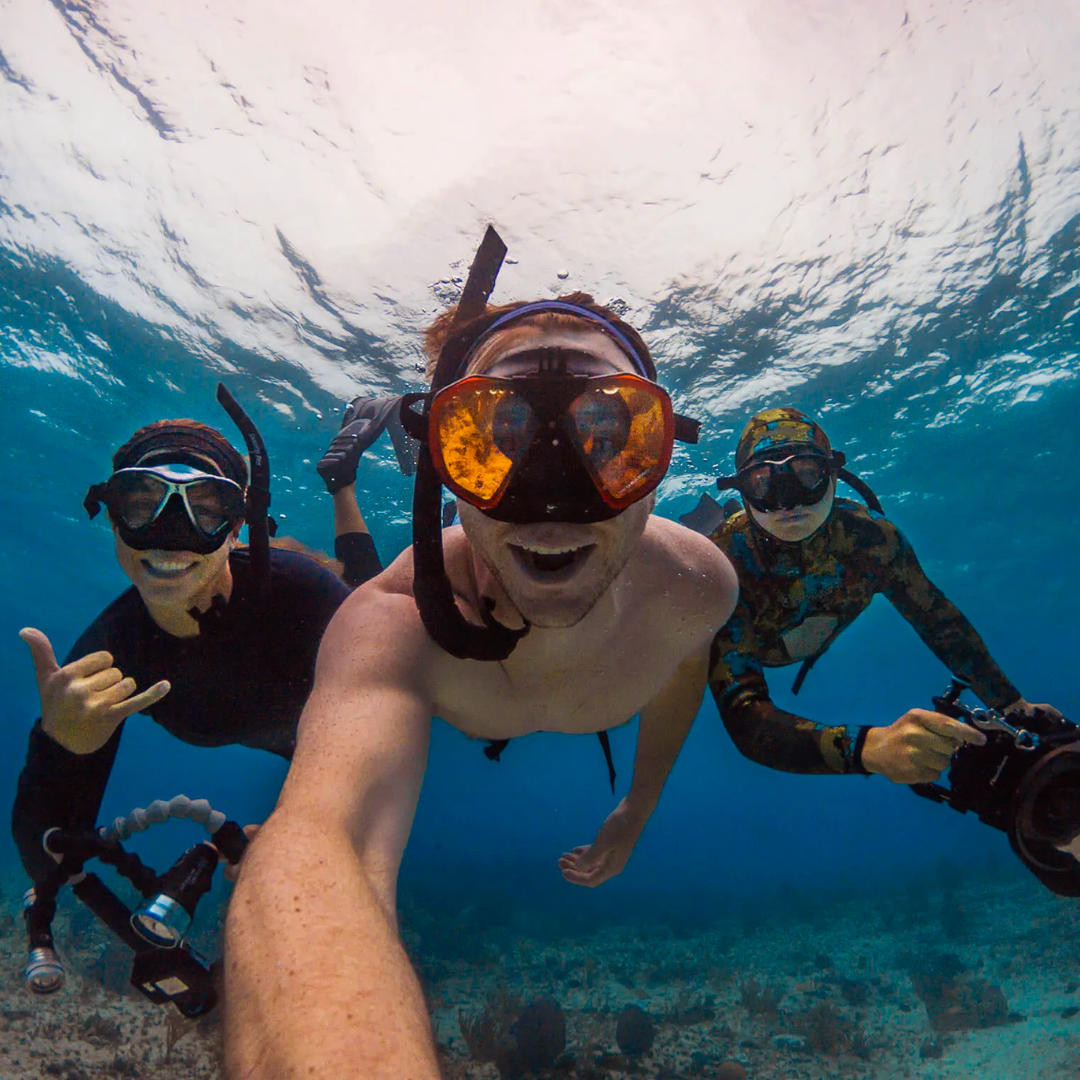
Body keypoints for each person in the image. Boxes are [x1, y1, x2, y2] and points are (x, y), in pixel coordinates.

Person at [223, 233, 739, 1080]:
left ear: (659, 460)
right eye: (488, 438)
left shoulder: (694, 591)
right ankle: (348, 479)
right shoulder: (391, 625)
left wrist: (635, 809)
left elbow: (684, 670)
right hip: (442, 619)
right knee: (356, 587)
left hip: (531, 647)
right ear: (442, 467)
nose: (552, 495)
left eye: (610, 436)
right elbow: (324, 843)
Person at [11, 387, 388, 989]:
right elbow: (49, 850)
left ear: (238, 526)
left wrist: (304, 816)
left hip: (319, 657)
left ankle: (341, 480)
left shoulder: (305, 598)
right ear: (111, 514)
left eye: (206, 507)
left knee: (375, 591)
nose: (168, 537)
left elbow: (381, 724)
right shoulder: (113, 654)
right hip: (287, 713)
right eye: (141, 502)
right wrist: (60, 746)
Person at [699, 407, 1076, 891]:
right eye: (763, 483)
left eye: (807, 474)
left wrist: (1012, 704)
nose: (787, 500)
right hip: (740, 636)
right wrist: (868, 749)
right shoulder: (719, 566)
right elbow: (747, 720)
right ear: (742, 486)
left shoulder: (873, 542)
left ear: (833, 472)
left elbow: (938, 620)